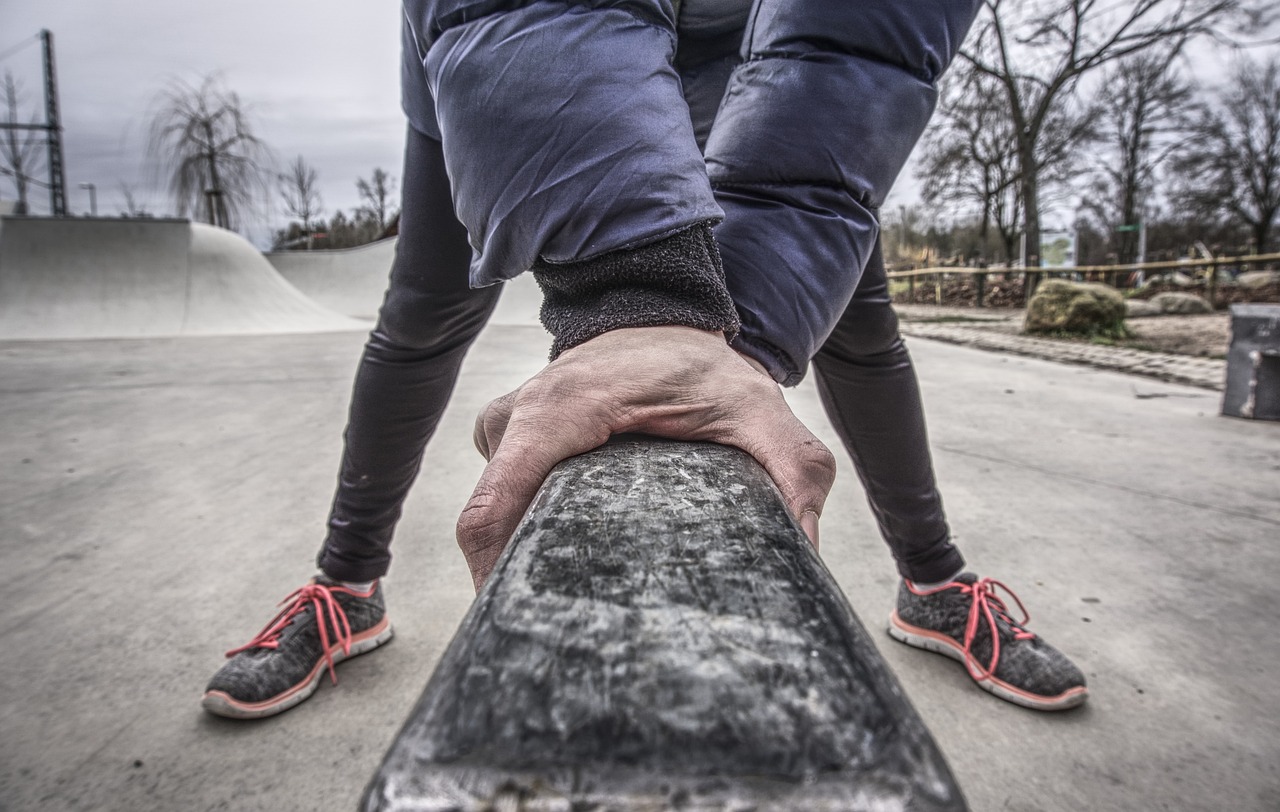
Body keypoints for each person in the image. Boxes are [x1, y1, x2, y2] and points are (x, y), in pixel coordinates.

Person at [203, 0, 1087, 720]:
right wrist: (630, 292)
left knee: (856, 321)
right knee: (426, 314)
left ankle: (933, 582)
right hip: (483, 33)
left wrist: (719, 338)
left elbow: (862, 43)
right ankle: (346, 585)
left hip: (753, 47)